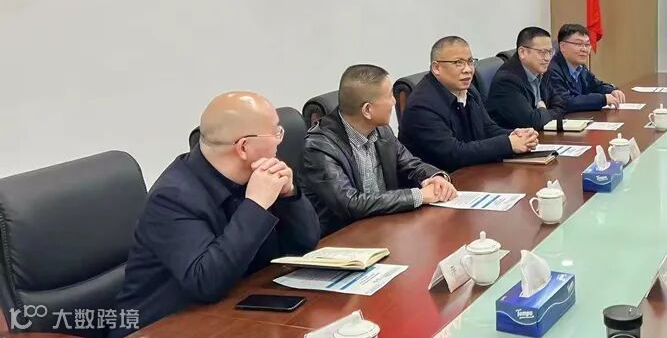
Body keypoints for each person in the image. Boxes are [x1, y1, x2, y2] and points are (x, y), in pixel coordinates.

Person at [112, 92, 320, 337]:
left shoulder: (255, 176)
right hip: (164, 327)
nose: (279, 142)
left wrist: (289, 195)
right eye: (276, 133)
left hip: (238, 307)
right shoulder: (172, 197)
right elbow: (206, 283)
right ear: (244, 147)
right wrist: (255, 205)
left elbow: (304, 244)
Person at [303, 64, 458, 234]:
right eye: (389, 96)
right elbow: (350, 203)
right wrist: (419, 196)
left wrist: (435, 178)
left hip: (384, 226)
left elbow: (410, 165)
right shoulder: (319, 147)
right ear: (367, 110)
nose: (394, 101)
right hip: (343, 238)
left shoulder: (381, 130)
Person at [399, 36, 538, 171]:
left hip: (472, 170)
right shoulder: (421, 105)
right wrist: (508, 144)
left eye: (470, 61)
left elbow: (487, 128)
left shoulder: (468, 89)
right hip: (442, 179)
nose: (468, 69)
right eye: (458, 63)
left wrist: (515, 135)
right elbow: (453, 153)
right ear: (436, 68)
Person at [486, 27, 564, 131]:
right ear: (522, 52)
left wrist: (541, 113)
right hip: (513, 137)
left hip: (539, 134)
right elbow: (531, 122)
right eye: (542, 52)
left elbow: (561, 106)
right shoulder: (507, 81)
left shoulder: (543, 70)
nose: (547, 58)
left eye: (550, 52)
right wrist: (543, 109)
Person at [544, 23, 626, 112]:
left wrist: (611, 91)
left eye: (587, 44)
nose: (584, 49)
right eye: (578, 44)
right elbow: (564, 102)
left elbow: (595, 86)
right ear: (562, 46)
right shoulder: (552, 70)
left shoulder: (580, 67)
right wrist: (602, 99)